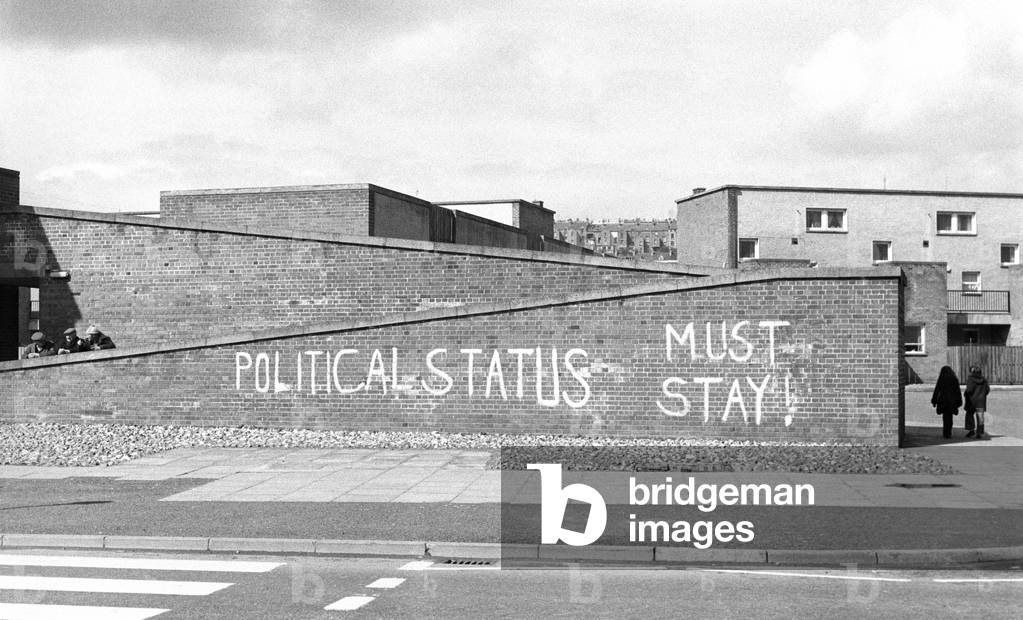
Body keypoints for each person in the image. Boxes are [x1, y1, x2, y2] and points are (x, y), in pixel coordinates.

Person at [931, 365, 962, 440]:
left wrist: (934, 401)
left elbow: (937, 391)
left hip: (943, 401)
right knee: (950, 417)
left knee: (945, 418)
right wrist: (959, 401)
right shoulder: (954, 379)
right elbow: (957, 391)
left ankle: (946, 432)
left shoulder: (941, 379)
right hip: (952, 401)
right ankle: (949, 432)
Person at [964, 365, 991, 440]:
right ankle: (979, 432)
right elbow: (987, 390)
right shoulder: (984, 379)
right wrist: (982, 395)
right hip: (981, 401)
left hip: (971, 401)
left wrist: (966, 394)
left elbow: (969, 390)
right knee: (980, 417)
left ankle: (971, 430)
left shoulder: (970, 379)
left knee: (969, 415)